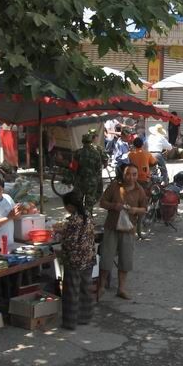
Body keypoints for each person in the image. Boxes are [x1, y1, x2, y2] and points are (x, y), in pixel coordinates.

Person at [98, 165, 148, 300]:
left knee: (125, 260)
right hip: (111, 227)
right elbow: (102, 202)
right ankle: (101, 286)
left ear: (137, 175)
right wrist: (114, 206)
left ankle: (121, 289)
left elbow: (144, 209)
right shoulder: (114, 186)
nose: (131, 177)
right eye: (128, 174)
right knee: (106, 258)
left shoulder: (139, 190)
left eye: (134, 174)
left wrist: (135, 210)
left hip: (128, 229)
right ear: (123, 174)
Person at [59, 190, 96, 330]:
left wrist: (62, 238)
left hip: (74, 260)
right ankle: (85, 317)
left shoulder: (74, 220)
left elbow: (71, 242)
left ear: (70, 206)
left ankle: (70, 322)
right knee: (85, 288)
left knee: (71, 291)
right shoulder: (87, 215)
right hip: (88, 257)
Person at [0, 174, 32, 250]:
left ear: (3, 189)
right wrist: (9, 217)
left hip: (9, 242)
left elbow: (16, 217)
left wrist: (20, 210)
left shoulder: (7, 198)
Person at [74, 133, 104, 213]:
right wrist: (98, 181)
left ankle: (78, 218)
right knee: (89, 203)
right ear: (91, 141)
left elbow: (73, 167)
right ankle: (88, 218)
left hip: (80, 181)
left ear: (83, 141)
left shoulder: (78, 152)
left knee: (78, 201)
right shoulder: (96, 153)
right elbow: (98, 168)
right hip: (92, 182)